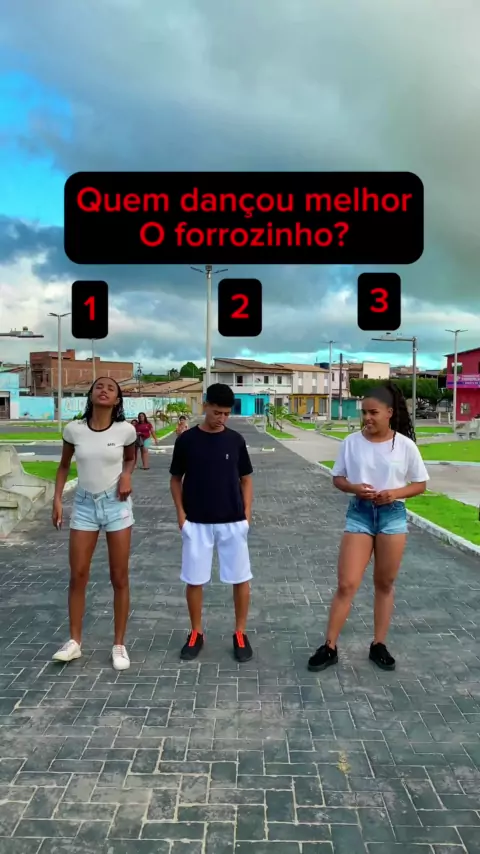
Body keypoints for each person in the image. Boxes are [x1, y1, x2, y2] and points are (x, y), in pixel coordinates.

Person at [308, 382, 429, 673]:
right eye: (364, 412)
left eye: (373, 412)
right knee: (347, 583)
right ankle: (329, 646)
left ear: (389, 412)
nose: (367, 418)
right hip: (360, 514)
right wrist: (354, 488)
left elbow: (420, 484)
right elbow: (338, 478)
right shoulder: (351, 443)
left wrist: (394, 493)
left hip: (392, 516)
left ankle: (378, 644)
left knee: (384, 584)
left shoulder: (405, 445)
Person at [51, 377, 137, 671]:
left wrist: (126, 475)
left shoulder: (126, 430)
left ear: (117, 400)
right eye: (99, 386)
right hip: (84, 505)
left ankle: (119, 644)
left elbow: (130, 459)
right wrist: (57, 500)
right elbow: (64, 466)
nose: (104, 390)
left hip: (116, 504)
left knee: (119, 576)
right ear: (90, 394)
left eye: (111, 388)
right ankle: (74, 641)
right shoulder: (73, 430)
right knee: (78, 575)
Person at [169, 383, 254, 663]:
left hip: (233, 521)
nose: (222, 418)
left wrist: (247, 514)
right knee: (194, 579)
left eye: (227, 414)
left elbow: (246, 479)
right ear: (205, 406)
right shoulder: (187, 440)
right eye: (217, 412)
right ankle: (196, 632)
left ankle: (240, 633)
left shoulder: (235, 440)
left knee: (240, 578)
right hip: (196, 522)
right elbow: (175, 479)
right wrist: (181, 515)